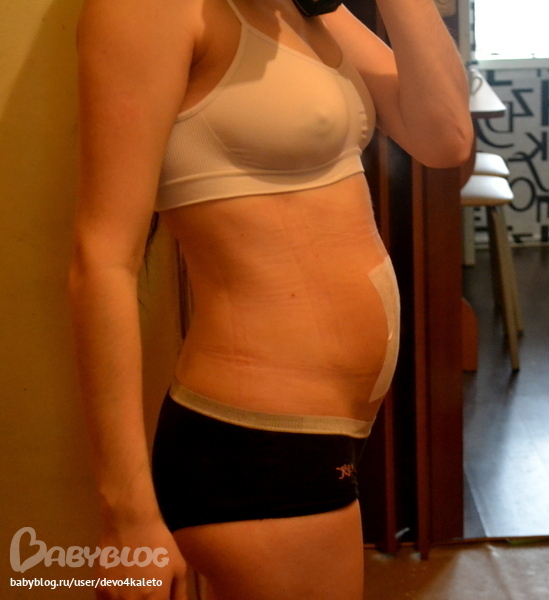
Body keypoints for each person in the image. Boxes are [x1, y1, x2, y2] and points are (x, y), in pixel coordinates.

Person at [69, 0, 472, 597]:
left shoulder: (300, 8)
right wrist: (126, 516)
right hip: (256, 436)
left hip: (326, 430)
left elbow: (445, 137)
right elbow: (102, 261)